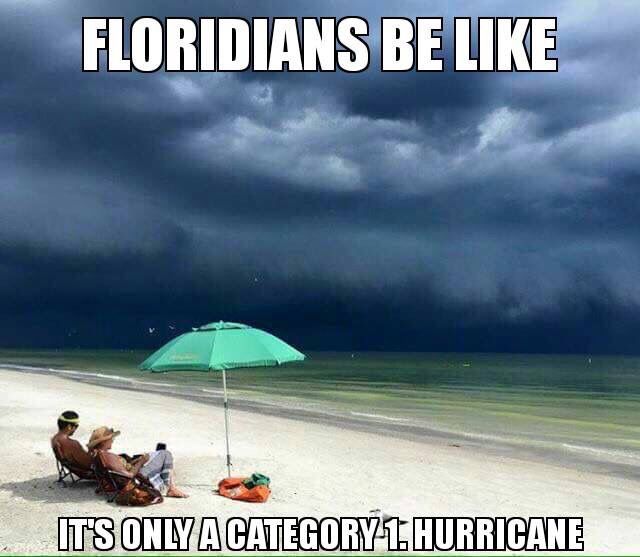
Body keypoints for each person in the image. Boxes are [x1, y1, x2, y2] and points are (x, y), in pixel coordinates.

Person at [87, 426, 188, 498]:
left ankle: (168, 481)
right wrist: (141, 462)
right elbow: (130, 475)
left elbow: (122, 469)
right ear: (104, 441)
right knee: (165, 453)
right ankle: (171, 488)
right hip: (136, 478)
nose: (113, 440)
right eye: (111, 438)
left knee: (156, 455)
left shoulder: (99, 455)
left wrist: (136, 461)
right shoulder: (109, 457)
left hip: (130, 474)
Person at [51, 410, 93, 475]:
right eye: (76, 426)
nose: (76, 429)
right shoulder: (73, 444)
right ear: (69, 427)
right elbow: (88, 463)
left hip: (76, 469)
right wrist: (92, 449)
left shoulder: (54, 439)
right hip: (88, 472)